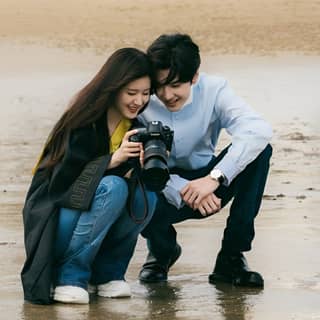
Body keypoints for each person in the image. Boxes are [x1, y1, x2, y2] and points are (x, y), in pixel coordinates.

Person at [21, 48, 157, 304]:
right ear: (113, 88)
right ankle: (69, 276)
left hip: (93, 230)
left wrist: (144, 165)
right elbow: (59, 186)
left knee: (146, 195)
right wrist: (111, 161)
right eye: (131, 93)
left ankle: (108, 274)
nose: (139, 101)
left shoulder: (137, 129)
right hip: (55, 221)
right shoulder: (81, 121)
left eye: (146, 93)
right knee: (113, 187)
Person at [138, 33, 273, 288]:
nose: (166, 95)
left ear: (195, 76)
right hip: (160, 183)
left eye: (176, 84)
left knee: (260, 152)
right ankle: (162, 251)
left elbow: (258, 130)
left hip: (208, 181)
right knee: (135, 171)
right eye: (160, 86)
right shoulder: (142, 98)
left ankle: (231, 257)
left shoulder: (214, 89)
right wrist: (182, 187)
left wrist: (215, 178)